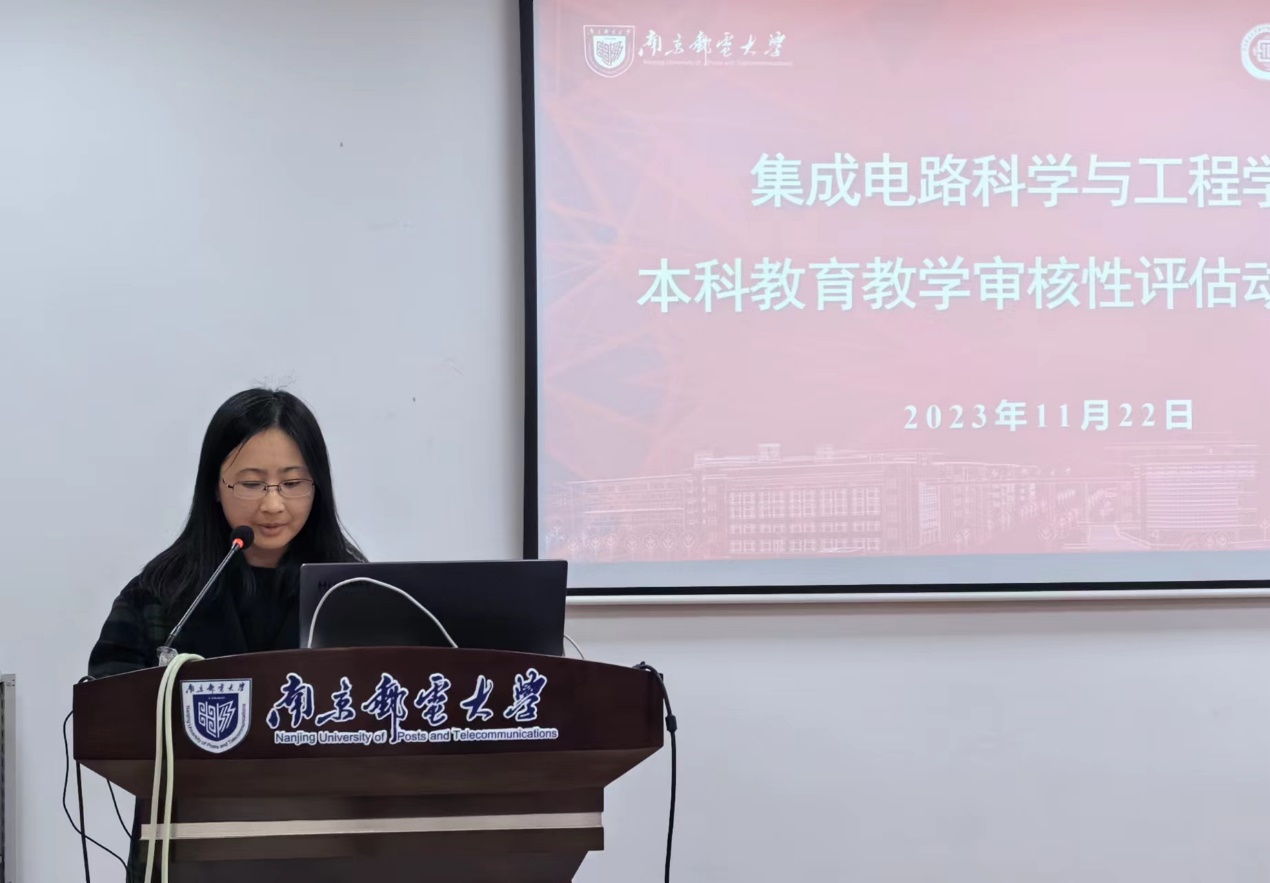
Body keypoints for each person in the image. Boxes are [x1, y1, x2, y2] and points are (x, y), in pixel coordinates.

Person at [86, 387, 364, 881]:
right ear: (215, 486)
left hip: (325, 846)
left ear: (317, 485)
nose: (274, 504)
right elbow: (108, 698)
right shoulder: (164, 591)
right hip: (188, 848)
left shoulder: (354, 589)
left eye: (292, 483)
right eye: (252, 484)